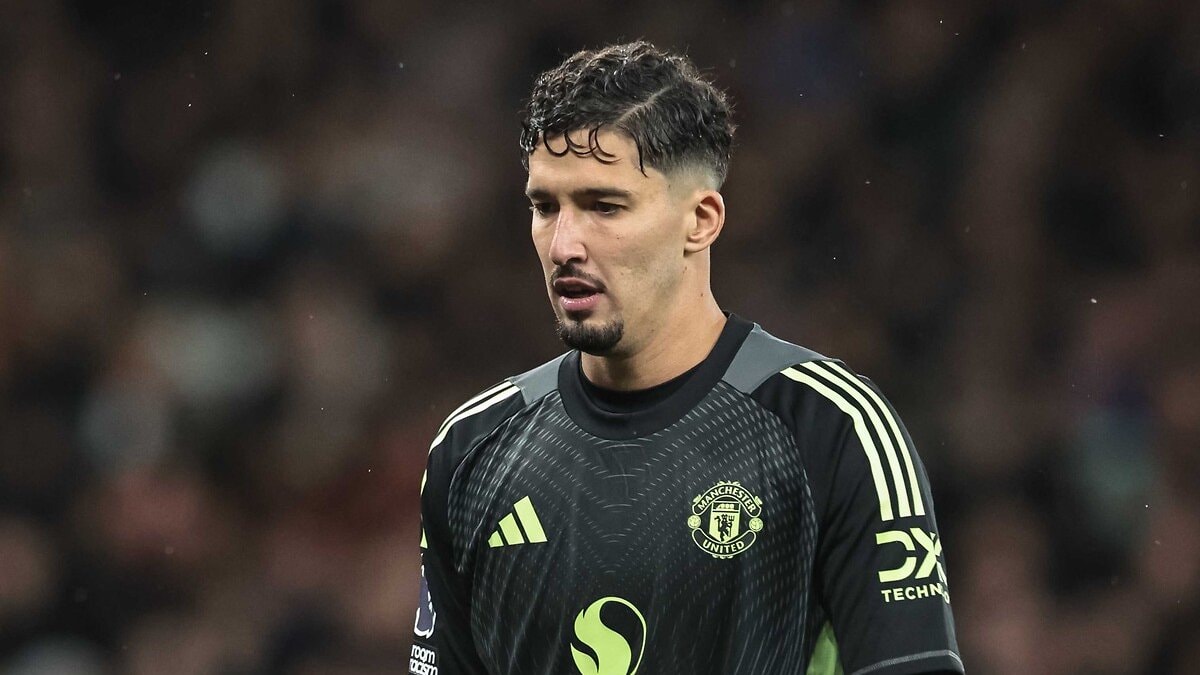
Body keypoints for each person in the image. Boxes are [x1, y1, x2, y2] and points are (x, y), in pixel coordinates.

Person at [410, 41, 963, 675]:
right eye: (545, 207)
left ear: (700, 220)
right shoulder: (472, 450)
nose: (563, 245)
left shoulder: (833, 429)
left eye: (604, 206)